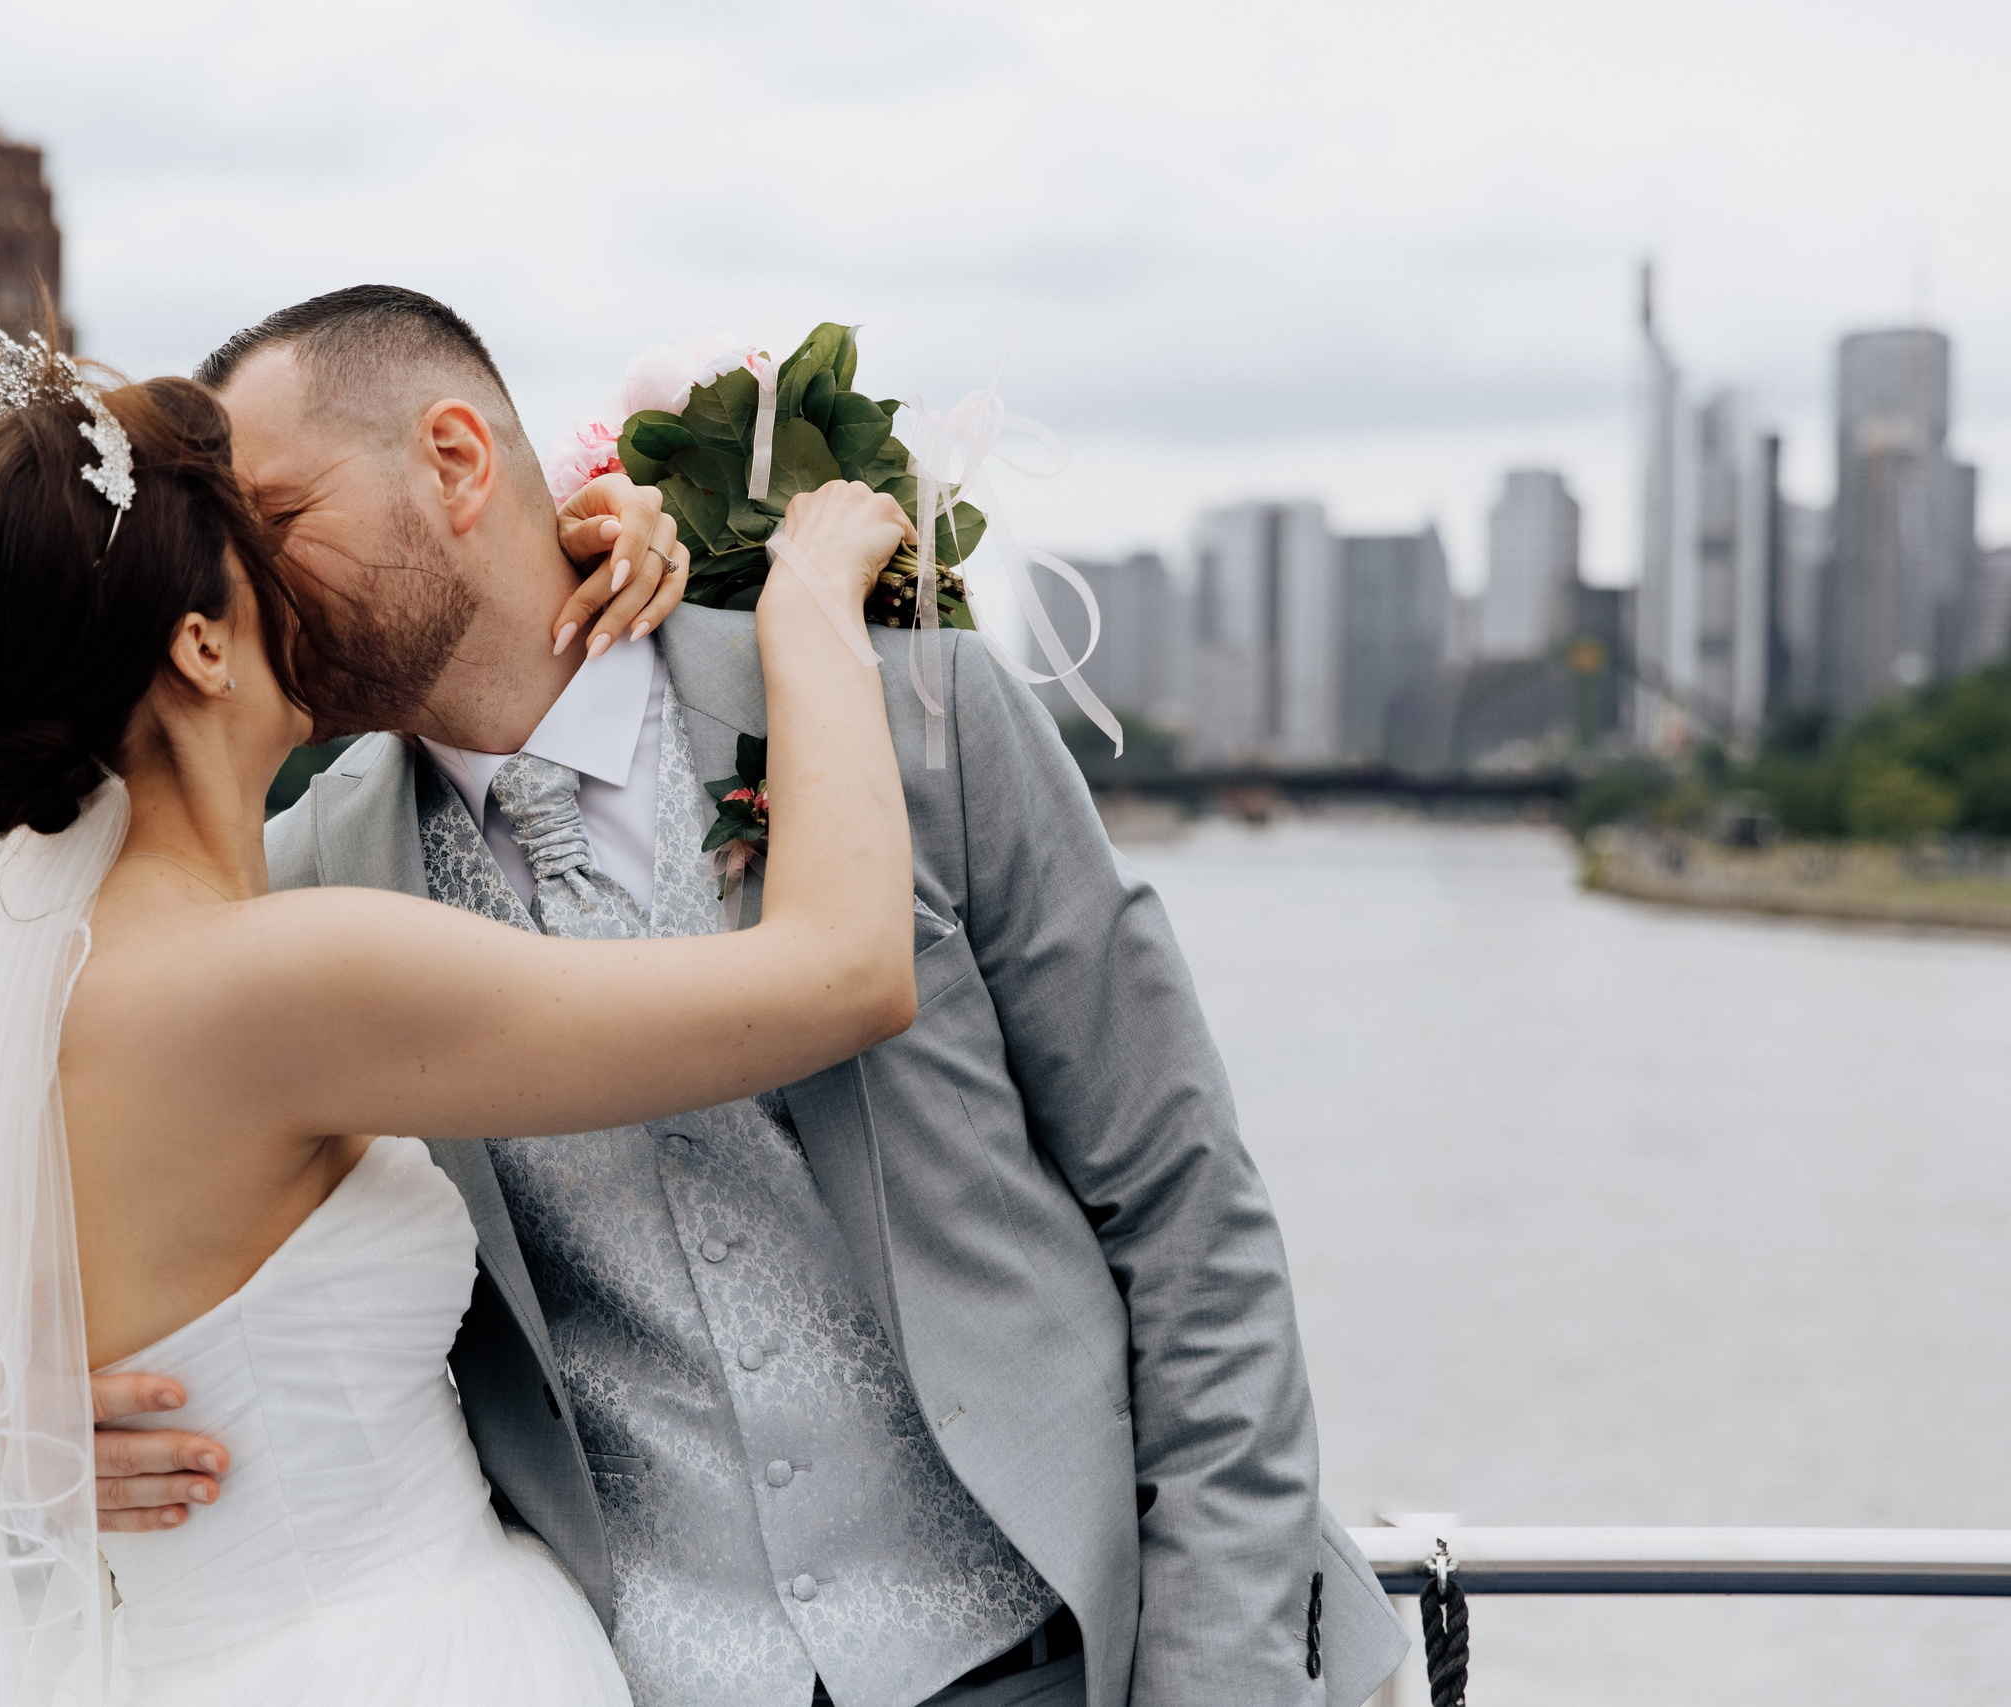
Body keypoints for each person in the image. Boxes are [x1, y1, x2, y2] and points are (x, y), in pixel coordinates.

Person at [88, 287, 1411, 1707]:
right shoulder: (292, 900)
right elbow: (117, 1225)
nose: (251, 590)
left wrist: (1222, 1679)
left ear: (459, 461)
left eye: (279, 524)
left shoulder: (921, 718)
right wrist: (38, 1427)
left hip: (1068, 1653)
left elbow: (1187, 1213)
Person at [0, 327, 927, 1707]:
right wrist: (808, 605)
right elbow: (845, 970)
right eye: (258, 538)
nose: (297, 578)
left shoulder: (70, 970)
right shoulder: (280, 976)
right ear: (203, 644)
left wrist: (12, 1439)